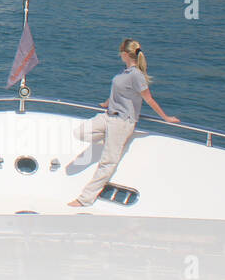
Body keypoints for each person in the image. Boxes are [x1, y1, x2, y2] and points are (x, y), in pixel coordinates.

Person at [68, 39, 178, 207]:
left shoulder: (136, 75)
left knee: (108, 161)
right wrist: (107, 103)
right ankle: (111, 139)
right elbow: (120, 91)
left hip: (122, 121)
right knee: (81, 132)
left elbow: (148, 99)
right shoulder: (125, 72)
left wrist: (166, 118)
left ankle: (85, 199)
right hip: (109, 115)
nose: (119, 55)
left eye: (120, 52)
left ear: (125, 54)